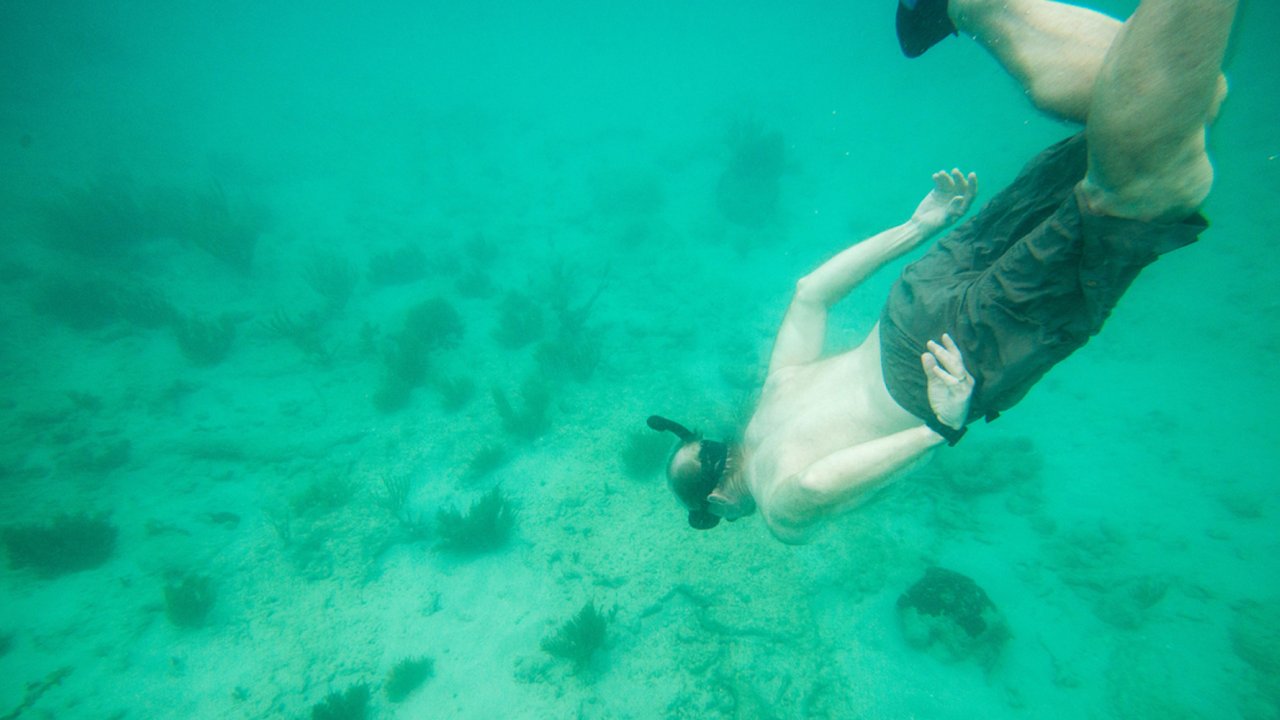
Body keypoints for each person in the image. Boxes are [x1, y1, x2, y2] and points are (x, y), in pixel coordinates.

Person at [649, 0, 1237, 544]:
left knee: (1143, 190)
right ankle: (970, 6)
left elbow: (814, 485)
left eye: (712, 515)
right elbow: (810, 295)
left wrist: (941, 428)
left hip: (950, 362)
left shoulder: (777, 507)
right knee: (1161, 117)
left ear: (719, 502)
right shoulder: (772, 398)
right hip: (916, 297)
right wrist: (917, 227)